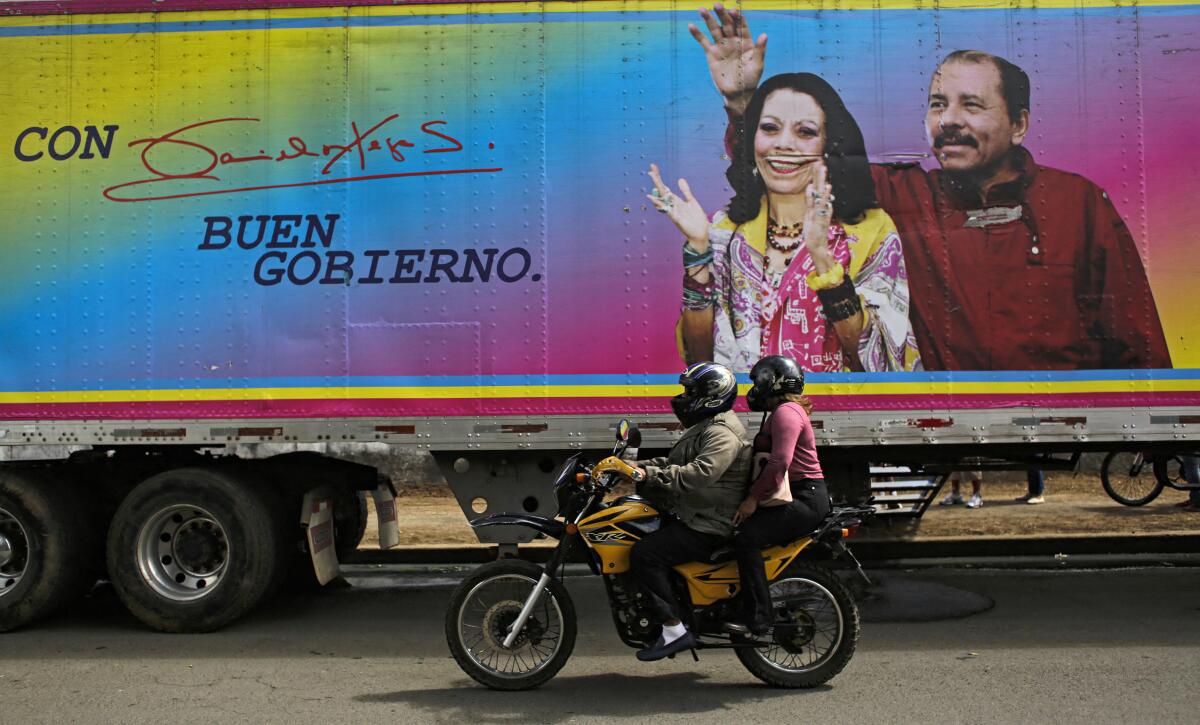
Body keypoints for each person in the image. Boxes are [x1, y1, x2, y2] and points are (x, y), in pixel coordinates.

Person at [689, 5, 1171, 371]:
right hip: (941, 412)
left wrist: (1170, 426)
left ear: (1019, 124)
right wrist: (741, 102)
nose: (950, 121)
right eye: (939, 104)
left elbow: (1133, 323)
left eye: (972, 106)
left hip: (1058, 412)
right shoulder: (904, 195)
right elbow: (790, 167)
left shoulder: (1075, 201)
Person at [648, 72, 921, 374]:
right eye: (769, 128)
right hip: (749, 415)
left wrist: (823, 260)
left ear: (830, 144)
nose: (784, 144)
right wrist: (699, 249)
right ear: (752, 139)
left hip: (835, 415)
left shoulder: (871, 230)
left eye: (805, 132)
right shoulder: (725, 230)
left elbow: (881, 364)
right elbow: (701, 360)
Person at [597, 361, 752, 661]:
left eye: (690, 391)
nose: (682, 398)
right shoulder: (708, 425)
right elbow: (674, 466)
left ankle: (674, 629)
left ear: (711, 395)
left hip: (709, 523)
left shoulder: (722, 432)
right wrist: (635, 469)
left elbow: (698, 474)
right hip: (696, 514)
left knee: (645, 554)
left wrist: (645, 477)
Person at [726, 355, 830, 635]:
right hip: (796, 494)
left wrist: (753, 500)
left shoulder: (786, 413)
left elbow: (779, 462)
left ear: (772, 383)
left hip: (805, 498)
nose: (754, 390)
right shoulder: (784, 412)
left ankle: (759, 618)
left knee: (747, 538)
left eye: (757, 382)